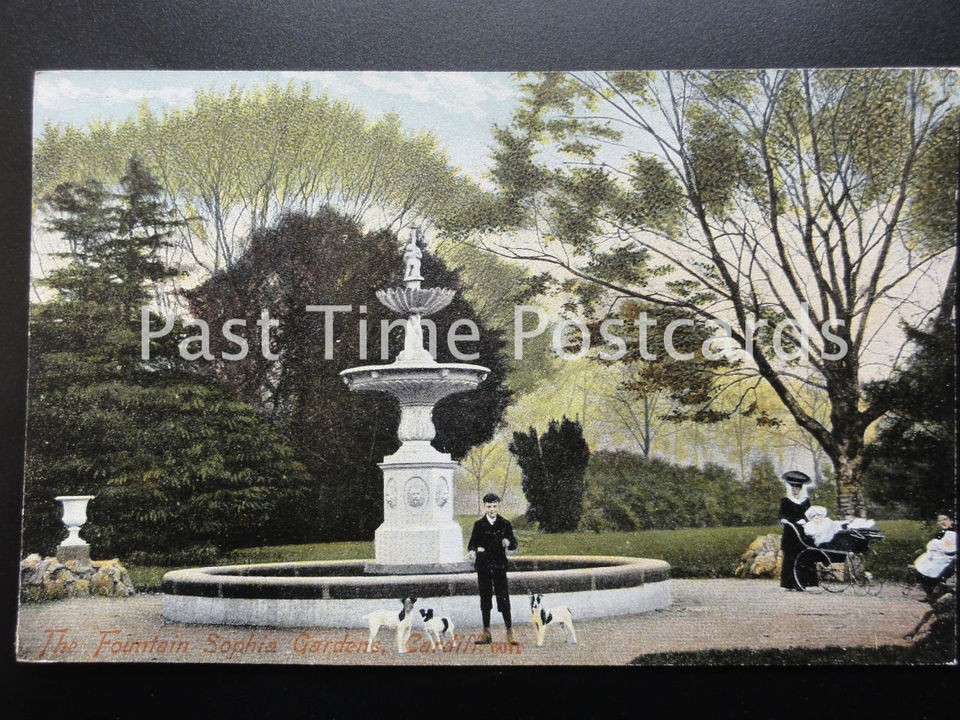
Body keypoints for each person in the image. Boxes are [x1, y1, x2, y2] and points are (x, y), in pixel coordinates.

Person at [467, 493, 519, 645]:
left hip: (499, 566)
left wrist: (507, 542)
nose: (492, 510)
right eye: (489, 506)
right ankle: (486, 632)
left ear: (498, 506)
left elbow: (514, 544)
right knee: (485, 597)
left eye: (495, 506)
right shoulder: (478, 525)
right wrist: (475, 550)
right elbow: (471, 544)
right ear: (484, 507)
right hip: (483, 566)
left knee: (503, 597)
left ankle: (509, 632)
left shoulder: (505, 523)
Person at [778, 470, 814, 590]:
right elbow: (782, 514)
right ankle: (788, 584)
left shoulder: (806, 501)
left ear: (801, 489)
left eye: (797, 488)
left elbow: (809, 514)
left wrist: (805, 519)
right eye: (793, 488)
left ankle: (803, 583)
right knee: (790, 557)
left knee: (803, 556)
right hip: (790, 532)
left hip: (802, 532)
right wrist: (785, 520)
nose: (795, 490)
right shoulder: (786, 501)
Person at [914, 511, 957, 596]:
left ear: (951, 521)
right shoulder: (940, 533)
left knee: (935, 572)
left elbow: (951, 548)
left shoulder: (954, 533)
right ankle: (930, 594)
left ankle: (938, 594)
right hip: (937, 558)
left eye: (945, 519)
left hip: (949, 559)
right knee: (921, 571)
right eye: (940, 520)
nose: (942, 522)